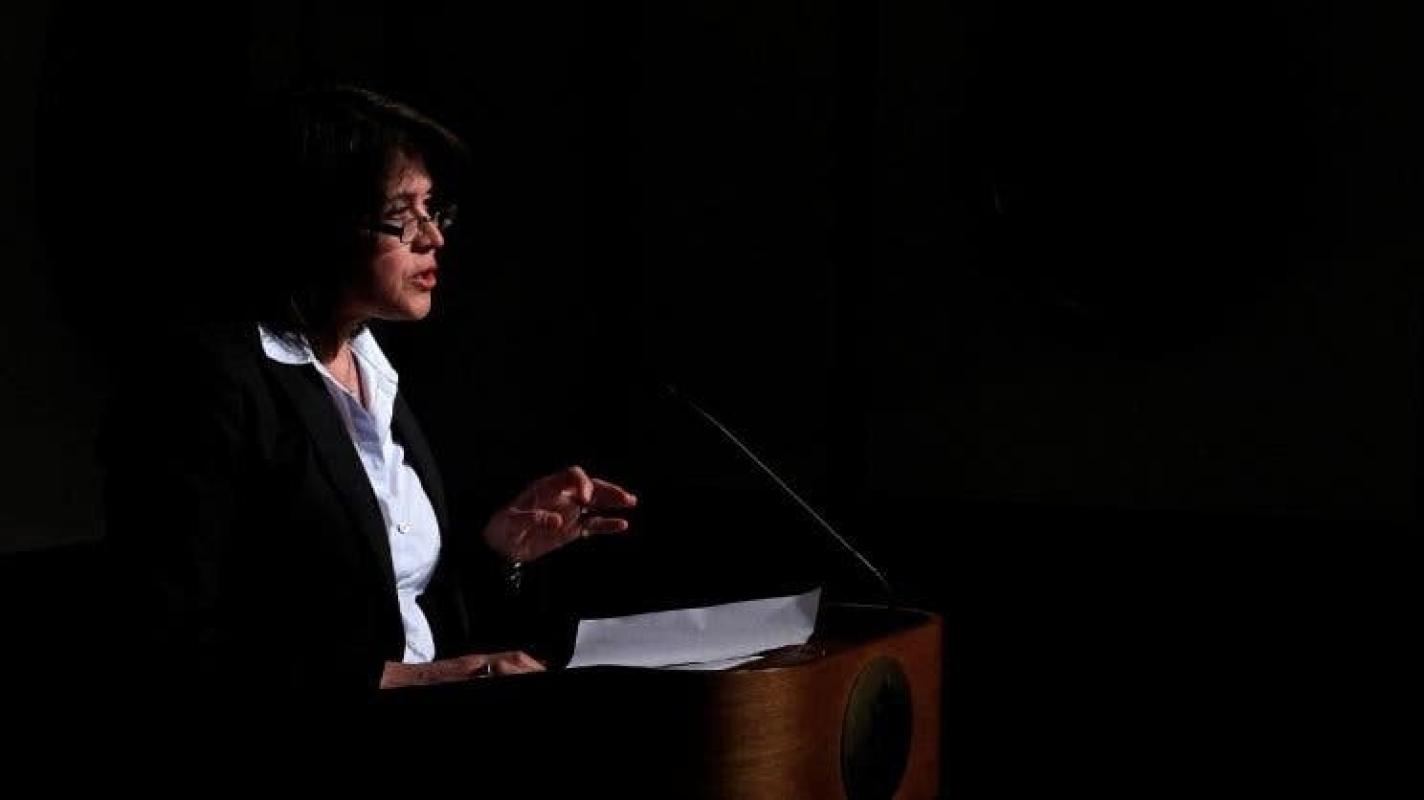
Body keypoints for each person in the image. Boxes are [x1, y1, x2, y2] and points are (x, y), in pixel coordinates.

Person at [98, 86, 637, 708]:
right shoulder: (204, 384)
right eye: (402, 214)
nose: (432, 237)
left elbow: (393, 604)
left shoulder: (373, 366)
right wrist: (422, 680)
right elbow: (169, 646)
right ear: (319, 224)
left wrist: (497, 548)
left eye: (433, 209)